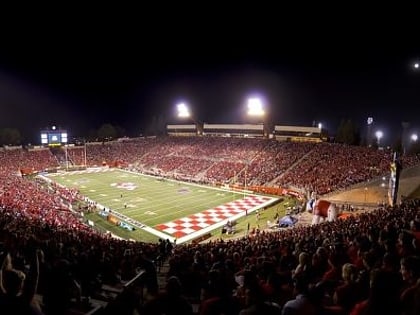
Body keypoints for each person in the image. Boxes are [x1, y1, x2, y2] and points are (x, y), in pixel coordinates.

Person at [0, 250, 44, 315]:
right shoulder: (23, 301)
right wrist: (34, 251)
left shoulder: (2, 297)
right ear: (21, 286)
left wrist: (6, 250)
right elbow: (34, 275)